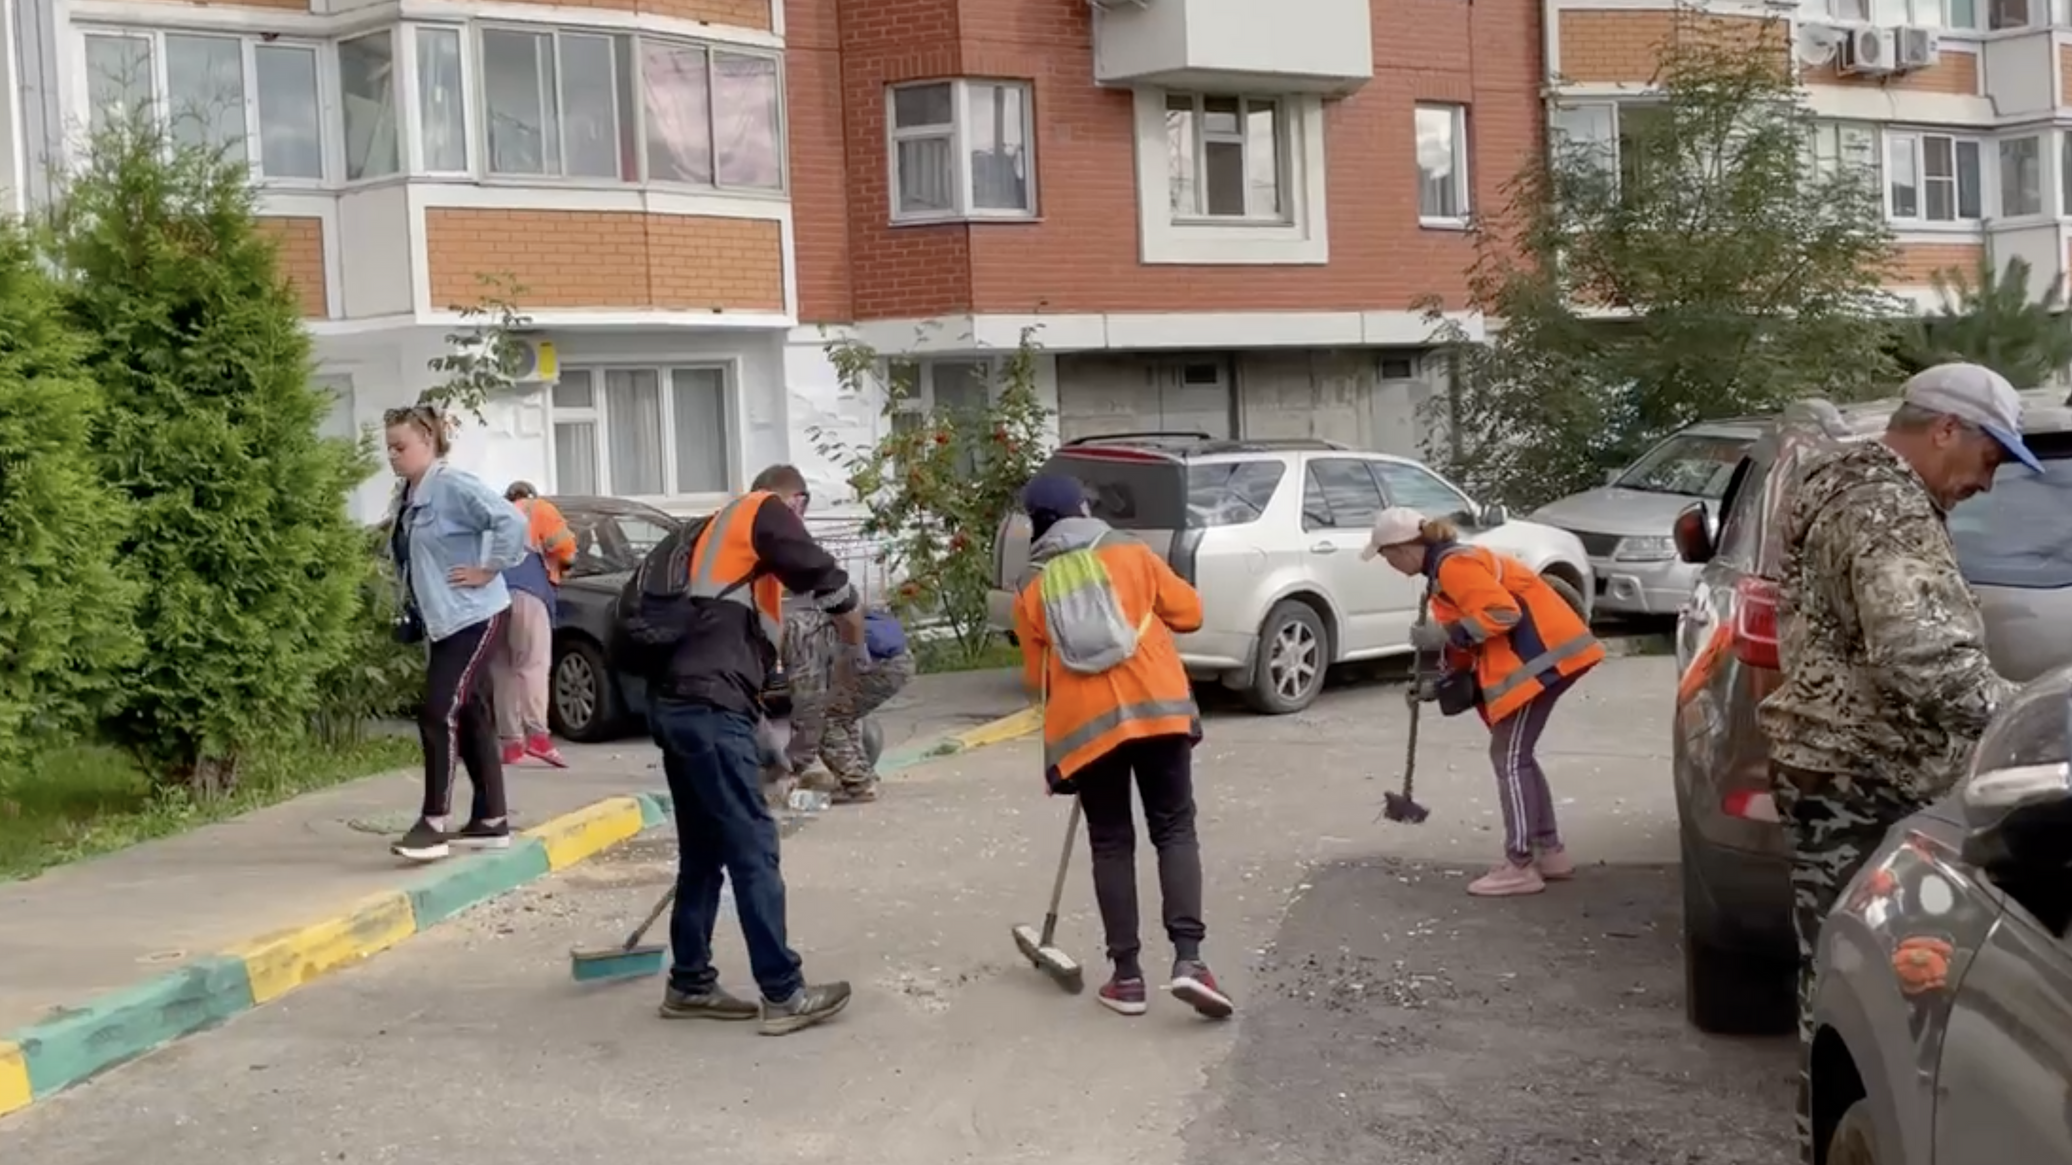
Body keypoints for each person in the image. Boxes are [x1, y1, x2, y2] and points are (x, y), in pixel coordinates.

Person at [1757, 362, 2032, 1164]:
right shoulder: (1883, 506)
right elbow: (1921, 653)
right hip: (1865, 783)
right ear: (1945, 428)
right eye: (1992, 457)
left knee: (1846, 982)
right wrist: (2024, 721)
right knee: (1864, 992)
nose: (1991, 481)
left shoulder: (1849, 485)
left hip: (1844, 772)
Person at [645, 463, 869, 1035]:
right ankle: (783, 993)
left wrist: (772, 748)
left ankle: (690, 983)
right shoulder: (760, 509)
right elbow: (820, 570)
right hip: (707, 708)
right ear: (791, 499)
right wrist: (850, 618)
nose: (801, 521)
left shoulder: (713, 543)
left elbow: (759, 673)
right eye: (804, 507)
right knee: (752, 847)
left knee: (703, 849)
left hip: (678, 704)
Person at [1012, 473, 1232, 1021]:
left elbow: (1034, 676)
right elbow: (1190, 613)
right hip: (1160, 710)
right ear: (1084, 507)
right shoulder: (1131, 552)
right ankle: (1190, 962)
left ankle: (1127, 978)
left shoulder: (1031, 585)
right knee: (1174, 829)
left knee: (1112, 844)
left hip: (1088, 733)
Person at [1364, 507, 1605, 898]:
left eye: (1387, 556)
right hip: (1551, 658)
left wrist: (1446, 634)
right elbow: (1477, 636)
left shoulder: (1454, 567)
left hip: (1543, 661)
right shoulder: (1447, 568)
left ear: (1405, 548)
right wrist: (1436, 683)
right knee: (1517, 755)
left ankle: (1521, 865)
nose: (1388, 564)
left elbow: (1501, 614)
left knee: (1509, 757)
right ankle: (1549, 852)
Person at [381, 405, 530, 863]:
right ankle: (490, 819)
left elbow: (511, 521)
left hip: (474, 615)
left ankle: (433, 823)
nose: (393, 456)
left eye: (400, 446)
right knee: (470, 714)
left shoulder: (450, 486)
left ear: (428, 439)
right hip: (445, 620)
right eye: (388, 448)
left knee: (437, 709)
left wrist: (489, 569)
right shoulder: (410, 493)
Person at [494, 482, 576, 768]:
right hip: (528, 593)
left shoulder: (494, 512)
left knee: (503, 668)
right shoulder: (538, 508)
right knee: (533, 665)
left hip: (492, 597)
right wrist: (563, 561)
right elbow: (566, 548)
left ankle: (511, 744)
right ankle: (538, 738)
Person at [817, 607, 915, 803]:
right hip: (902, 661)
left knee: (824, 721)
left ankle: (858, 784)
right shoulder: (845, 600)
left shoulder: (815, 618)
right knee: (844, 716)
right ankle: (861, 775)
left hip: (881, 667)